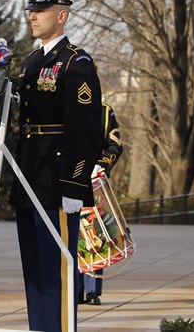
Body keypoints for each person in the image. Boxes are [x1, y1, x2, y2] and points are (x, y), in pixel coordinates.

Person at [9, 0, 103, 332]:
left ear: (61, 15)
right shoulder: (32, 61)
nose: (32, 15)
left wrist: (73, 184)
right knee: (35, 270)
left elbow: (85, 130)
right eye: (31, 10)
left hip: (57, 180)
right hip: (30, 173)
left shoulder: (76, 62)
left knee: (58, 268)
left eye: (41, 10)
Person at [79, 103, 123, 306]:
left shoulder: (104, 111)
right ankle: (75, 288)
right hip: (66, 179)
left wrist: (101, 165)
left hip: (93, 181)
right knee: (71, 235)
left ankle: (91, 290)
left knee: (94, 235)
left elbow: (115, 144)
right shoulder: (63, 105)